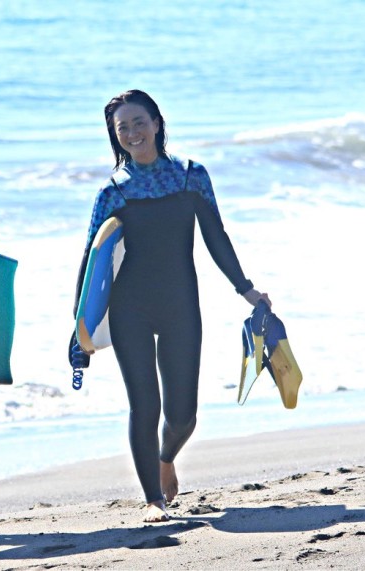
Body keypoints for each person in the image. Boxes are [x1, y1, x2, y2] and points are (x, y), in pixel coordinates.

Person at [73, 90, 271, 523]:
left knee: (183, 416)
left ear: (157, 123)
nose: (132, 133)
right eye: (122, 127)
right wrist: (80, 330)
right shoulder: (113, 191)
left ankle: (165, 458)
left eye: (139, 122)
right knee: (145, 406)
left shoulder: (189, 176)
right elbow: (92, 261)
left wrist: (246, 289)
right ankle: (153, 500)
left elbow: (216, 237)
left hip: (180, 301)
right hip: (130, 307)